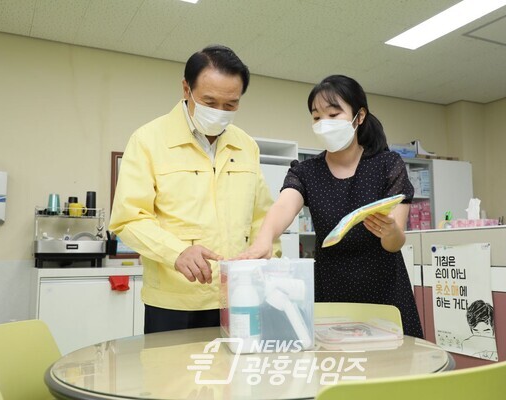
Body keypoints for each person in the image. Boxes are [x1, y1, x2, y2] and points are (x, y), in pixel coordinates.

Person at [109, 45, 279, 334]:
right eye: (209, 102)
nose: (219, 112)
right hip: (176, 300)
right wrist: (177, 253)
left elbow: (263, 217)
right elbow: (128, 219)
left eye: (230, 105)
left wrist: (268, 259)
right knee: (172, 378)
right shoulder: (149, 140)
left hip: (237, 295)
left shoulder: (246, 145)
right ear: (186, 89)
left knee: (233, 376)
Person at [238, 74, 423, 338]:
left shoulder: (387, 165)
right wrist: (264, 239)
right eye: (316, 117)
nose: (324, 123)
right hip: (330, 287)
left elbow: (394, 243)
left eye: (333, 115)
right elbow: (283, 207)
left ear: (359, 117)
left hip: (383, 287)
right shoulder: (306, 171)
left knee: (392, 368)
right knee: (337, 367)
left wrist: (390, 231)